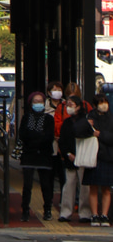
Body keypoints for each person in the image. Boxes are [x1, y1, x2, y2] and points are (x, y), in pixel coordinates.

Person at [19, 91, 55, 221]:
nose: (38, 104)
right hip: (28, 154)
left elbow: (49, 136)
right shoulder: (26, 117)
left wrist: (34, 136)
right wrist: (37, 136)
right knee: (27, 185)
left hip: (44, 154)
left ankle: (48, 209)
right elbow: (23, 135)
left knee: (45, 184)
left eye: (41, 101)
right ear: (30, 103)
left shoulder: (49, 119)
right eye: (36, 101)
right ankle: (25, 210)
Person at [58, 95, 93, 222]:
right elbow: (62, 140)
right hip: (70, 158)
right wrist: (68, 154)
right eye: (67, 105)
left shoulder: (86, 121)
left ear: (78, 106)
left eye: (71, 104)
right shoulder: (66, 122)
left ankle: (85, 213)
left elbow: (89, 138)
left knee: (85, 187)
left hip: (83, 157)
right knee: (69, 185)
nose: (68, 107)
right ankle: (65, 212)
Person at [84, 92, 113, 225]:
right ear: (95, 105)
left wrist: (100, 135)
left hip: (107, 156)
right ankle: (94, 214)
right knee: (93, 187)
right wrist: (86, 124)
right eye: (101, 102)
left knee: (106, 188)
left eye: (105, 102)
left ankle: (105, 215)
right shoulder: (89, 117)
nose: (104, 105)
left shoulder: (111, 118)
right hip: (93, 156)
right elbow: (80, 132)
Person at [46, 81, 66, 193]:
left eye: (59, 90)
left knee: (64, 175)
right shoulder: (44, 106)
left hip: (63, 146)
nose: (57, 92)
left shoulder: (67, 105)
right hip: (50, 145)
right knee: (50, 174)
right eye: (54, 90)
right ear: (49, 92)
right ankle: (49, 200)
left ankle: (63, 199)